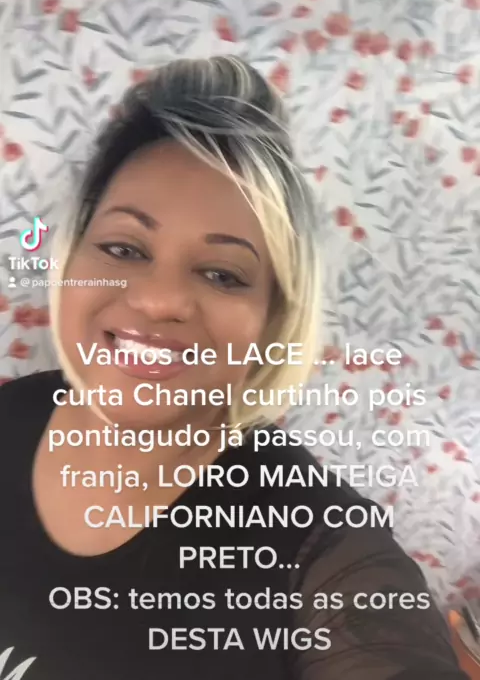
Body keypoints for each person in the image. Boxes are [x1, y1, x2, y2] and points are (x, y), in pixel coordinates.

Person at [0, 56, 467, 679]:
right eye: (123, 248)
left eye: (223, 275)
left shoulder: (320, 548)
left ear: (273, 320)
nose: (160, 299)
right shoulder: (10, 412)